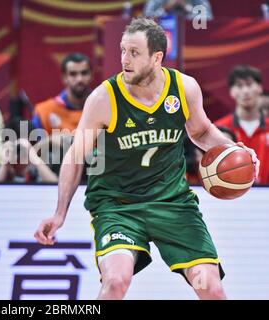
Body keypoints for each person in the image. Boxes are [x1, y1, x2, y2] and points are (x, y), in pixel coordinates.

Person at [34, 18, 259, 300]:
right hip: (118, 206)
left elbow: (201, 132)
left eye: (134, 53)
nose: (124, 60)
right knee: (116, 282)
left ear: (157, 57)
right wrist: (59, 213)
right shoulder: (104, 98)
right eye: (122, 50)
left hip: (172, 203)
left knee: (210, 287)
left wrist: (235, 150)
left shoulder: (184, 87)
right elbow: (75, 155)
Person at [215, 65, 269, 184]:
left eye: (249, 84)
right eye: (239, 86)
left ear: (259, 88)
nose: (245, 91)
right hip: (232, 197)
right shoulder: (218, 129)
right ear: (232, 92)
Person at [32, 52, 92, 135]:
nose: (79, 79)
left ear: (91, 75)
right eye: (73, 74)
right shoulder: (44, 111)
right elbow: (36, 146)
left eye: (84, 73)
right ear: (64, 78)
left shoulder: (105, 108)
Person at [143, 0, 213, 20]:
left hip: (192, 35)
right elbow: (146, 18)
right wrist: (165, 9)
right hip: (161, 36)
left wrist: (187, 8)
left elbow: (208, 17)